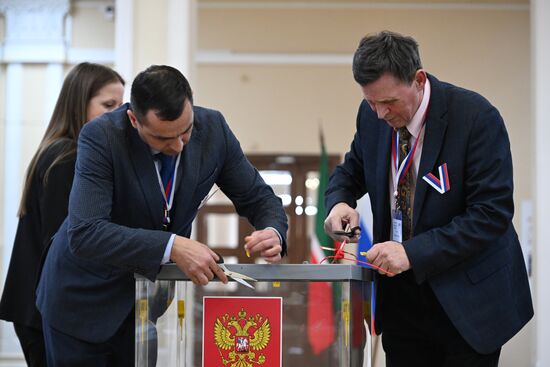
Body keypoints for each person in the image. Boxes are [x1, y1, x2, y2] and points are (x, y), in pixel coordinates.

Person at [36, 64, 288, 366]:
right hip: (82, 301)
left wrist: (273, 230)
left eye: (186, 131)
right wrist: (172, 246)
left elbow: (258, 197)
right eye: (163, 138)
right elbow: (86, 232)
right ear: (133, 119)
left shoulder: (213, 130)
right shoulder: (102, 136)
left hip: (144, 305)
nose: (178, 145)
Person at [324, 31, 533, 367]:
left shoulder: (475, 118)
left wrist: (411, 251)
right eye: (370, 101)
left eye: (389, 102)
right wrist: (339, 204)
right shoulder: (372, 118)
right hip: (402, 300)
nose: (380, 114)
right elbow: (350, 172)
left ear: (418, 79)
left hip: (467, 300)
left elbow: (490, 214)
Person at [0, 63, 124, 367]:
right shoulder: (67, 158)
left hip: (41, 303)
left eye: (122, 106)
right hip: (46, 307)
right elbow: (68, 243)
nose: (119, 116)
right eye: (109, 105)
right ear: (78, 103)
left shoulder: (58, 151)